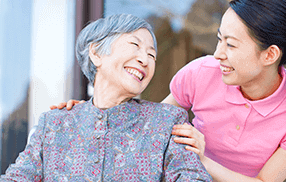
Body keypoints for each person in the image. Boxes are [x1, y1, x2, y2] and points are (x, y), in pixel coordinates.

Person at [52, 0, 286, 181]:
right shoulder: (201, 73)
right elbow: (147, 127)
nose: (217, 54)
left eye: (230, 44)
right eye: (219, 39)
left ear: (269, 55)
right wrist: (89, 116)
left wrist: (203, 159)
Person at [1, 14, 212, 181]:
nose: (144, 60)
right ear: (96, 53)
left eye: (151, 55)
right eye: (135, 45)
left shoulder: (167, 122)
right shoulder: (54, 124)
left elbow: (192, 177)